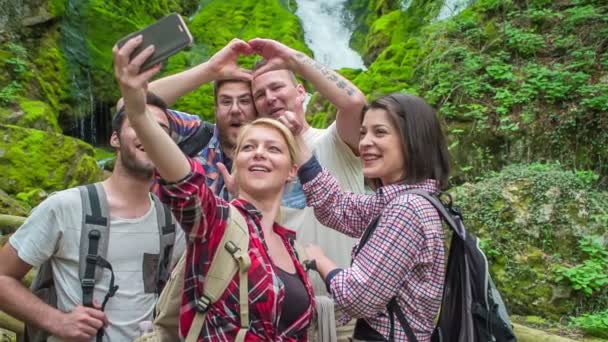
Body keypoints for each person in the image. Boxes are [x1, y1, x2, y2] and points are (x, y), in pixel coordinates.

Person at [114, 35, 315, 341]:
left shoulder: (295, 248)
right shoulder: (216, 220)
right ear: (235, 163)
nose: (259, 152)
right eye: (249, 147)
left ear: (292, 171)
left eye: (272, 149)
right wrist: (138, 109)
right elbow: (183, 181)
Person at [151, 37, 368, 295]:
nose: (270, 98)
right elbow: (135, 108)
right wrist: (210, 70)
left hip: (343, 311)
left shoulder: (334, 140)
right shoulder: (259, 163)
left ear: (300, 92)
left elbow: (354, 102)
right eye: (260, 95)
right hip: (282, 313)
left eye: (277, 87)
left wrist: (293, 58)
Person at [0, 93, 185, 341]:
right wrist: (57, 321)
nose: (150, 134)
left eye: (159, 129)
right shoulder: (65, 206)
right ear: (115, 138)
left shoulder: (172, 222)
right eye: (139, 124)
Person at [296, 93, 450, 341]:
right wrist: (300, 150)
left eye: (380, 132)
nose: (365, 142)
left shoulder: (407, 209)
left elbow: (359, 298)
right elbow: (337, 207)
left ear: (413, 140)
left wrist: (320, 260)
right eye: (363, 132)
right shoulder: (400, 201)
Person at [148, 39, 258, 200]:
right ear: (216, 110)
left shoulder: (271, 160)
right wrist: (210, 70)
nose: (235, 109)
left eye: (244, 101)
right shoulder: (193, 133)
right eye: (226, 102)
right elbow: (132, 107)